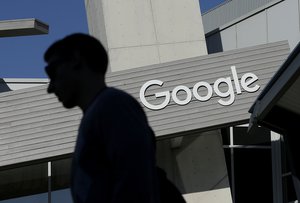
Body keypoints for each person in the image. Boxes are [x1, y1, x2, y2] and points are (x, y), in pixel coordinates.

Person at [44, 33, 186, 203]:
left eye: (52, 72)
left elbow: (134, 181)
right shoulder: (104, 110)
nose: (50, 88)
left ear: (76, 59)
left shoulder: (112, 105)